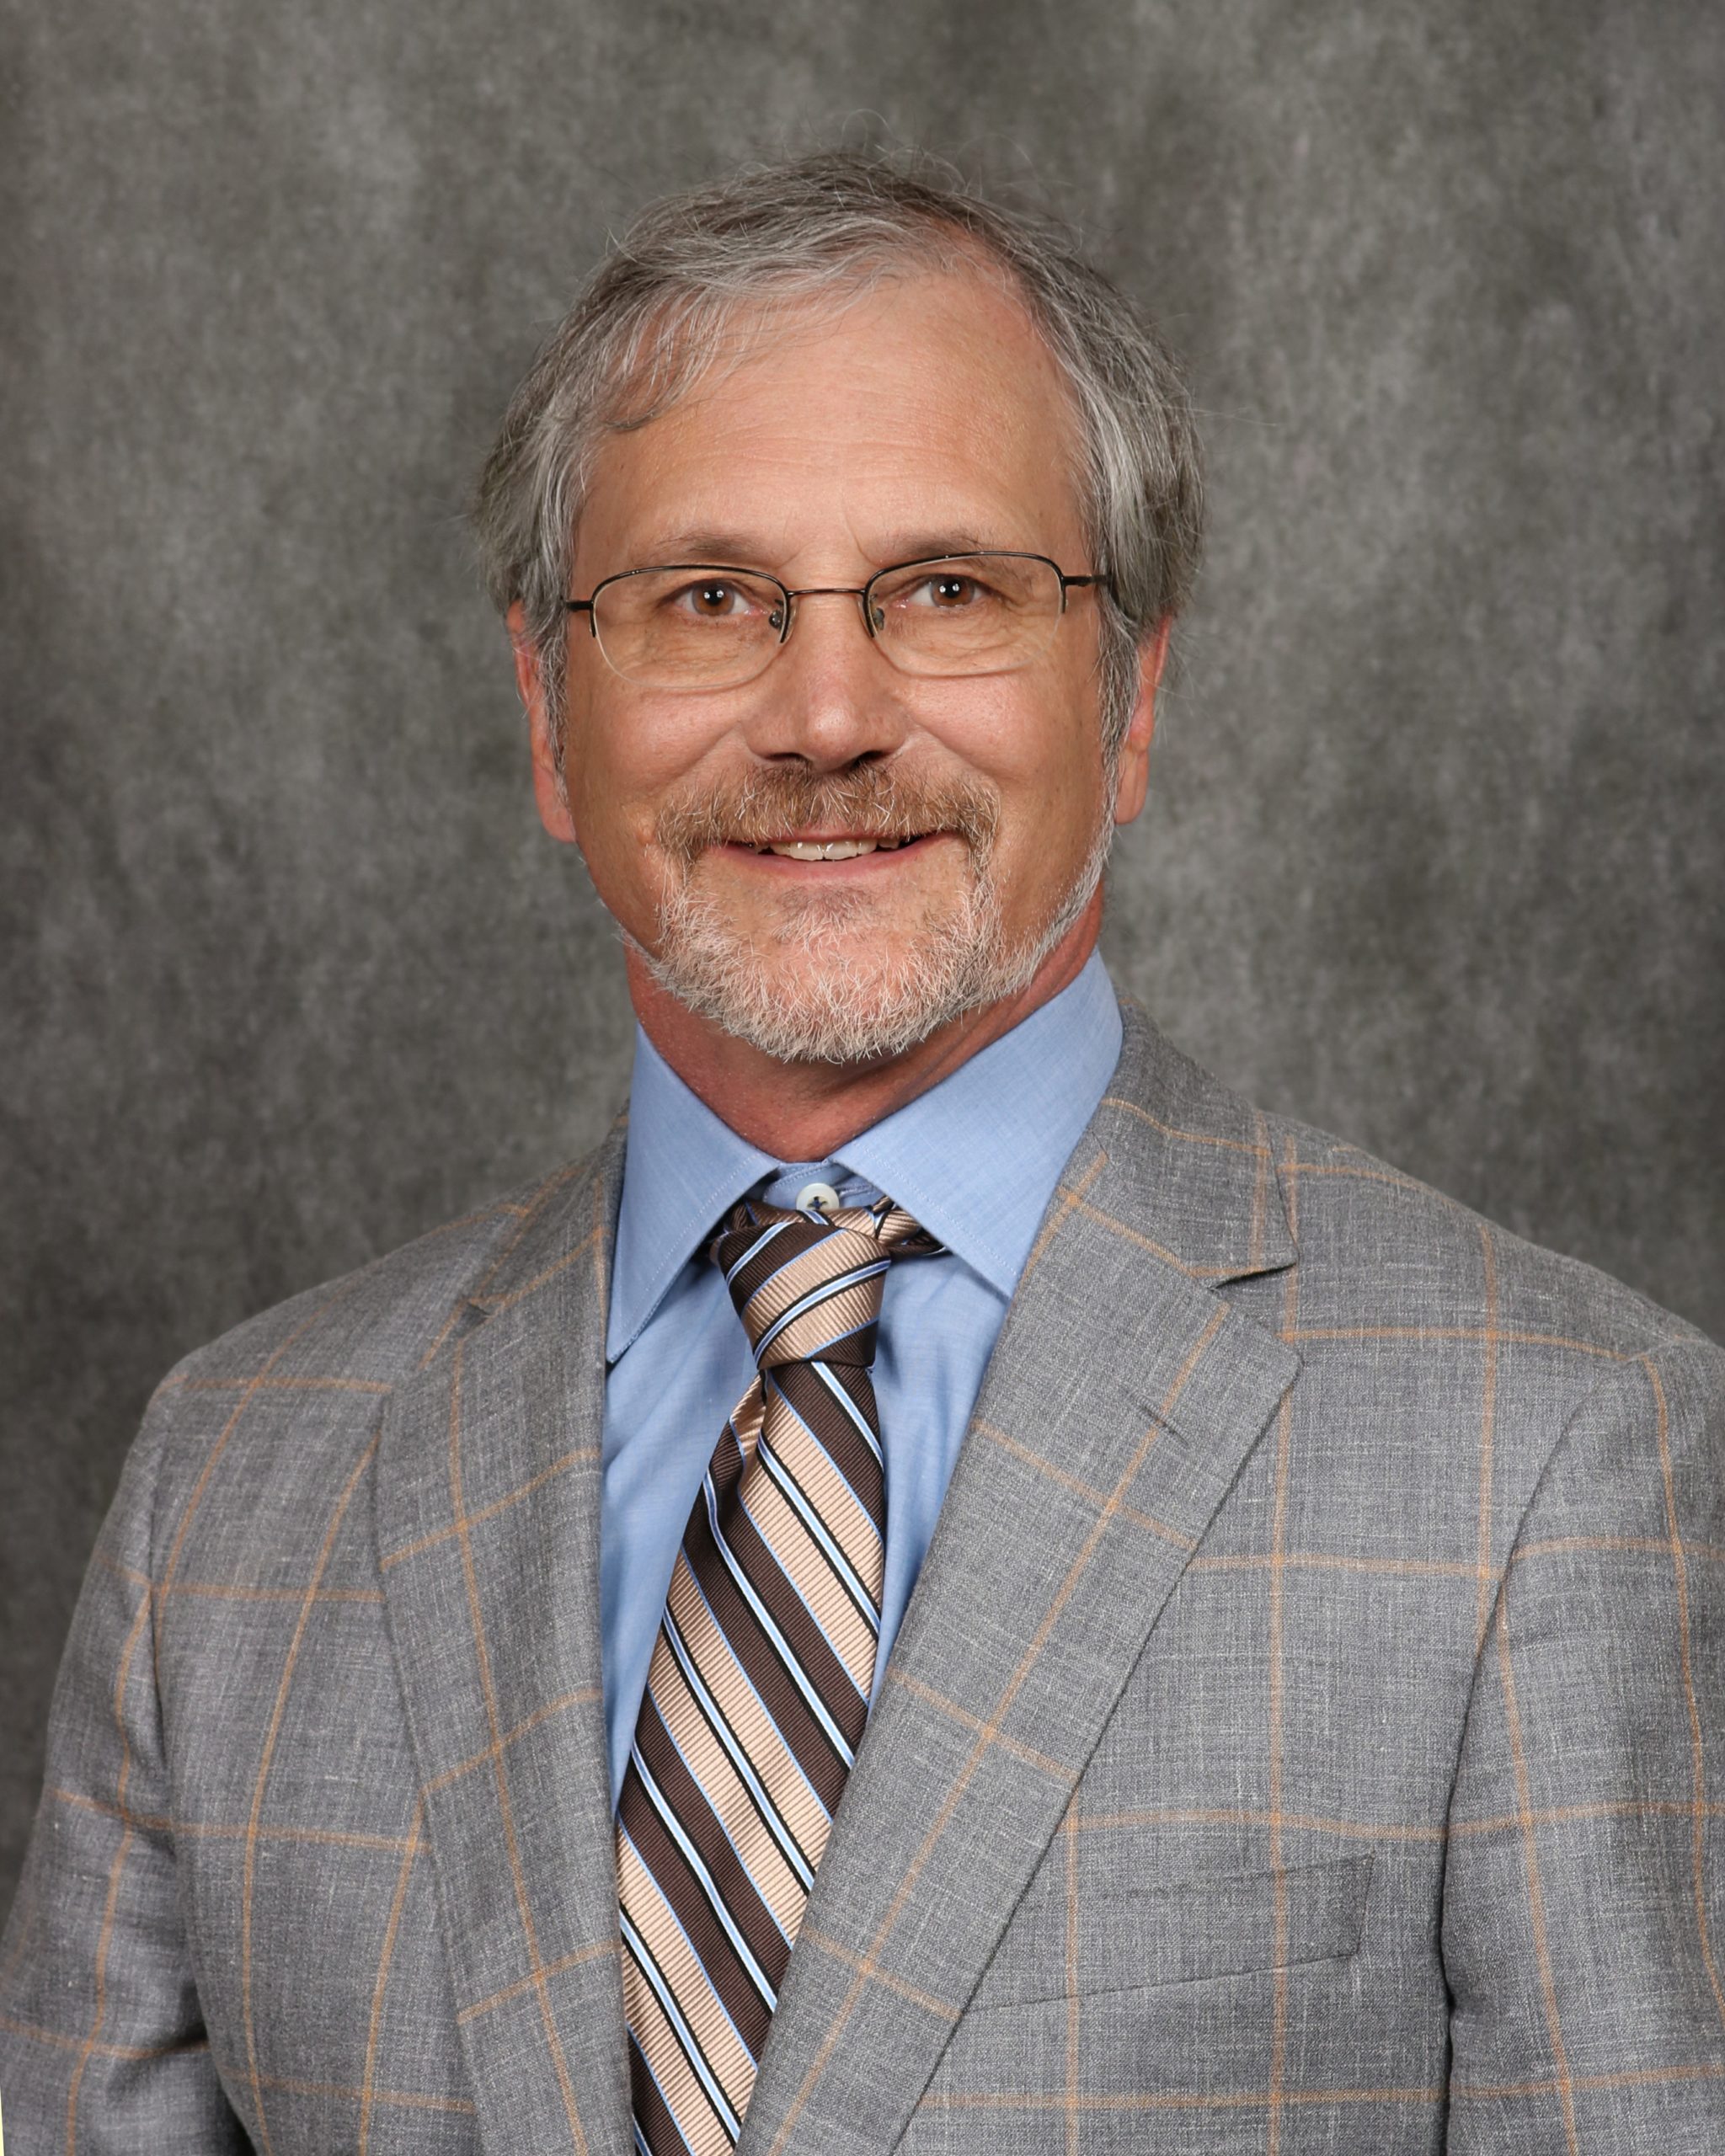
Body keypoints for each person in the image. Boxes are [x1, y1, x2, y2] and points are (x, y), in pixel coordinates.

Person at [3, 149, 1721, 2156]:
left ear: (1131, 695)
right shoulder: (230, 1488)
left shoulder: (1550, 1458)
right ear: (550, 717)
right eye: (708, 599)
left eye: (948, 590)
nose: (826, 714)